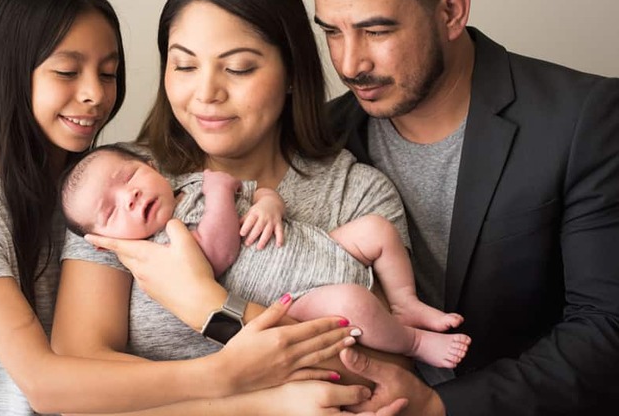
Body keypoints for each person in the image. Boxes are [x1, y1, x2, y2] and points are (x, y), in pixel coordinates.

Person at [0, 0, 372, 416]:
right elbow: (46, 384)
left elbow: (381, 375)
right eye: (66, 71)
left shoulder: (107, 182)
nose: (95, 94)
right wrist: (231, 378)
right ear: (3, 76)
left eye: (109, 73)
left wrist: (208, 302)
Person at [54, 0, 415, 414]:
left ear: (290, 73)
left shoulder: (357, 194)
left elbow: (388, 379)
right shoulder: (119, 185)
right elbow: (79, 387)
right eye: (184, 66)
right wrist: (259, 400)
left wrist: (211, 306)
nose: (206, 93)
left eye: (239, 68)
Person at [308, 0, 619, 414]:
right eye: (332, 32)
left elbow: (607, 328)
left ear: (451, 12)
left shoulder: (584, 117)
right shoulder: (322, 134)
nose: (350, 63)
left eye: (377, 31)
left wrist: (439, 406)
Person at [60, 144, 471, 368]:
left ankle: (405, 302)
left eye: (129, 177)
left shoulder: (190, 182)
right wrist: (221, 192)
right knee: (352, 304)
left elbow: (258, 191)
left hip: (324, 244)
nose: (129, 197)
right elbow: (216, 255)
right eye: (111, 211)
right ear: (99, 240)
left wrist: (270, 204)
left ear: (151, 165)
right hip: (303, 297)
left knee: (376, 230)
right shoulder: (158, 250)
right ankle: (415, 342)